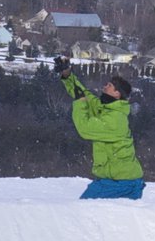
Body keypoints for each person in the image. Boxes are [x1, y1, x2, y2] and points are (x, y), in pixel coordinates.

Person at [53, 57, 144, 199]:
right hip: (113, 180)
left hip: (122, 183)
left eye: (109, 85)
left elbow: (84, 128)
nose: (104, 87)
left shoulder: (115, 120)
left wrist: (79, 103)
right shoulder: (105, 109)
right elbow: (83, 93)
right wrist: (67, 74)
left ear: (116, 93)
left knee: (85, 210)